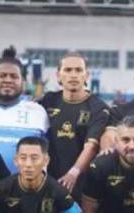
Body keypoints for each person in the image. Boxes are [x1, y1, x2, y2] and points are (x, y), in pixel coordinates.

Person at [0, 56, 49, 211]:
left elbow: (46, 157)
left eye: (14, 76)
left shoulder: (37, 112)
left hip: (24, 206)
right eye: (2, 75)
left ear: (23, 81)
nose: (8, 80)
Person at [36, 52, 109, 193]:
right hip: (48, 183)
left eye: (78, 70)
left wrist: (74, 173)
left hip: (81, 184)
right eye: (68, 70)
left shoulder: (98, 108)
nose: (73, 75)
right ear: (58, 75)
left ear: (86, 75)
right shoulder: (48, 101)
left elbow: (91, 146)